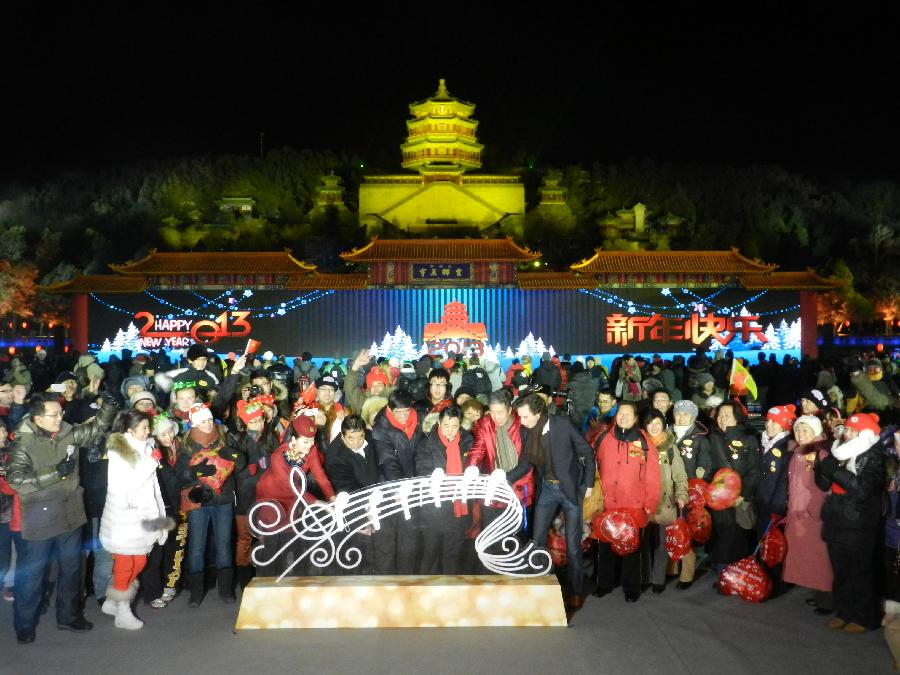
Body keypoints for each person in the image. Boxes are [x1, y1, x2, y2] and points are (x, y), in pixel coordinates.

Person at [5, 392, 117, 644]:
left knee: (72, 570)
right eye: (54, 414)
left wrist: (108, 408)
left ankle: (68, 616)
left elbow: (94, 430)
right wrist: (55, 473)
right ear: (37, 418)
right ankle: (24, 623)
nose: (60, 417)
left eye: (61, 413)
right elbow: (17, 480)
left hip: (71, 512)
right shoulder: (23, 442)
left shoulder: (68, 432)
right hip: (39, 516)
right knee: (33, 574)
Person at [518, 393, 595, 609]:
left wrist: (588, 484)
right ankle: (538, 584)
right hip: (547, 488)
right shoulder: (528, 431)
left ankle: (576, 590)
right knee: (537, 540)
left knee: (572, 546)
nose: (521, 422)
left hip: (570, 489)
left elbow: (587, 452)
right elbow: (526, 464)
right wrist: (504, 478)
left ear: (538, 413)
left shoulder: (561, 424)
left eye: (524, 417)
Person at [99, 410, 174, 630]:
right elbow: (125, 485)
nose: (148, 431)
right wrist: (151, 463)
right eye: (143, 427)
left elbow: (153, 487)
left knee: (140, 560)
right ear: (130, 430)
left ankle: (112, 601)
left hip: (145, 515)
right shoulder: (119, 451)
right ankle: (123, 611)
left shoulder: (147, 447)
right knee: (125, 562)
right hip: (125, 517)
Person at [817, 412, 885, 633]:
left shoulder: (873, 455)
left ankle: (865, 617)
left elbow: (864, 489)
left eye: (853, 431)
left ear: (865, 434)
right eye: (847, 429)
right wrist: (825, 469)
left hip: (859, 522)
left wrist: (835, 472)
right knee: (841, 570)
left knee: (860, 572)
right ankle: (844, 611)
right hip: (837, 519)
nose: (847, 434)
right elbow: (822, 484)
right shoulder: (840, 451)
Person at [592, 401, 660, 603]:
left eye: (628, 414)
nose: (623, 417)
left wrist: (650, 503)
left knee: (632, 549)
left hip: (633, 505)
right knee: (605, 546)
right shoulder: (603, 437)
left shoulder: (643, 441)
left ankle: (631, 588)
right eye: (620, 413)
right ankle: (604, 584)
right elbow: (592, 465)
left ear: (635, 418)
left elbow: (653, 476)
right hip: (607, 504)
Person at [177, 403, 243, 607]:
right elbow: (181, 474)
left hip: (222, 500)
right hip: (199, 502)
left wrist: (230, 454)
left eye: (208, 420)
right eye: (202, 421)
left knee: (223, 545)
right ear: (194, 424)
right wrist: (197, 472)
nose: (207, 424)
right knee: (197, 547)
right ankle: (196, 592)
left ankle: (226, 589)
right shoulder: (187, 444)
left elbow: (240, 463)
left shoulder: (224, 438)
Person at [415, 406, 474, 574]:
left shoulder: (468, 441)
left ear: (460, 425)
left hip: (458, 507)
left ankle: (450, 590)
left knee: (452, 554)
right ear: (439, 423)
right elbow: (422, 471)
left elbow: (474, 465)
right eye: (446, 425)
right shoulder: (427, 444)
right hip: (435, 508)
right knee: (430, 553)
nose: (450, 431)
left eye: (454, 426)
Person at [782, 415, 833, 612]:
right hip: (798, 512)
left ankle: (828, 599)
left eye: (805, 430)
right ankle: (818, 593)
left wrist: (814, 511)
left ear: (815, 432)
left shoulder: (821, 453)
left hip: (813, 514)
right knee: (808, 555)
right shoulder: (797, 452)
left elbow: (823, 487)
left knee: (821, 557)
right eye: (798, 430)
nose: (801, 434)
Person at [371, 390, 425, 574]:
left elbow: (422, 453)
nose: (403, 416)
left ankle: (407, 578)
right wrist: (399, 487)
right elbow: (387, 460)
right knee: (387, 537)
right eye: (398, 412)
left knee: (409, 537)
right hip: (390, 489)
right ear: (389, 409)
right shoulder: (381, 427)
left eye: (406, 411)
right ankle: (384, 581)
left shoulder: (420, 419)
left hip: (414, 486)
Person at [707, 401, 760, 577]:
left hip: (738, 498)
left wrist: (743, 494)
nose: (722, 419)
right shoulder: (711, 436)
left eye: (727, 415)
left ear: (737, 417)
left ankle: (736, 574)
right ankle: (721, 571)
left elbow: (754, 470)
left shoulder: (749, 439)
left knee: (737, 536)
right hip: (717, 498)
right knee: (721, 532)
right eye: (720, 415)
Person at [643, 408, 687, 594]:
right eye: (650, 423)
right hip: (643, 502)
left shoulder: (670, 447)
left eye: (657, 423)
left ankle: (657, 580)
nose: (653, 427)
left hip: (664, 502)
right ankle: (644, 576)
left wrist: (682, 495)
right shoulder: (639, 445)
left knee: (662, 544)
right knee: (643, 543)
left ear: (663, 425)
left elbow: (679, 474)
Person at [671, 399, 711, 589]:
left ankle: (686, 575)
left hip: (687, 492)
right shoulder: (665, 433)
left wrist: (695, 488)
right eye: (679, 413)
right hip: (666, 491)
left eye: (686, 414)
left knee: (685, 533)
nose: (682, 416)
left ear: (693, 417)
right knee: (669, 532)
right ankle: (671, 570)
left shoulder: (700, 438)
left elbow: (705, 465)